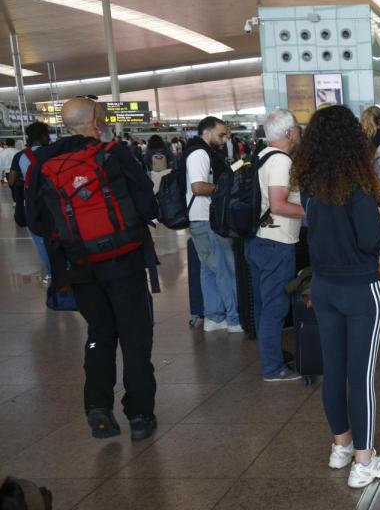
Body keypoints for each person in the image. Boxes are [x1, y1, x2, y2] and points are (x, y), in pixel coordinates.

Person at [24, 97, 162, 441]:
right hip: (125, 260)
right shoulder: (115, 154)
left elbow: (34, 222)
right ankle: (140, 415)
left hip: (80, 266)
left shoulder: (42, 163)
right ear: (97, 122)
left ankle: (98, 407)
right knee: (134, 337)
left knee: (100, 334)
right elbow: (147, 204)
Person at [290, 104, 380, 488]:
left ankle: (341, 446)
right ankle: (364, 462)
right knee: (361, 376)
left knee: (333, 370)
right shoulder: (357, 183)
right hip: (359, 288)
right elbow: (371, 238)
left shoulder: (311, 183)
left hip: (323, 287)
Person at [244, 110, 305, 382]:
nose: (299, 133)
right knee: (275, 307)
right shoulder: (281, 161)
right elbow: (279, 204)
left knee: (264, 305)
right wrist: (311, 212)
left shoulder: (260, 156)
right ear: (289, 132)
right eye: (298, 128)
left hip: (257, 239)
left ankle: (272, 357)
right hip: (276, 242)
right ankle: (273, 368)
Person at [185, 116, 242, 333]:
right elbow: (199, 187)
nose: (224, 139)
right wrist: (223, 190)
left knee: (209, 271)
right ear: (206, 133)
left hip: (201, 220)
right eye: (221, 134)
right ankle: (234, 319)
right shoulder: (200, 154)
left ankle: (214, 317)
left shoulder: (201, 152)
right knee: (225, 269)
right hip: (207, 220)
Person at [16, 122, 53, 283]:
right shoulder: (53, 152)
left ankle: (50, 273)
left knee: (40, 240)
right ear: (44, 135)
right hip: (53, 200)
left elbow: (12, 179)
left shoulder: (21, 156)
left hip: (31, 203)